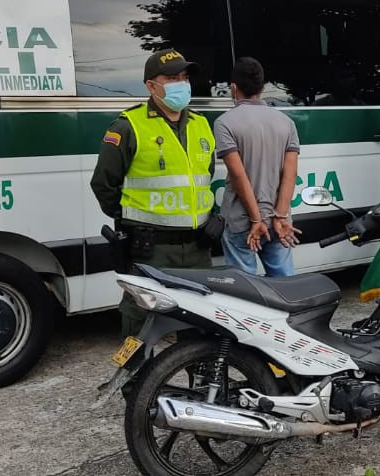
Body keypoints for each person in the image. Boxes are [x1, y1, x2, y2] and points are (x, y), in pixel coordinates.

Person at [90, 49, 216, 336]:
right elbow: (103, 184)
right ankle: (134, 382)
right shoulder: (128, 125)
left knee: (200, 326)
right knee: (139, 324)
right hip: (151, 250)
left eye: (184, 77)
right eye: (172, 78)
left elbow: (204, 178)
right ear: (151, 85)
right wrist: (129, 218)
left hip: (197, 249)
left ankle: (201, 380)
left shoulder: (200, 124)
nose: (181, 83)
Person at [215, 57, 301, 276]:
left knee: (246, 290)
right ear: (263, 88)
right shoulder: (286, 122)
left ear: (234, 88)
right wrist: (279, 216)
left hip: (241, 221)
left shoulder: (225, 123)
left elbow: (238, 175)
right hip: (278, 221)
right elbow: (290, 175)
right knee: (285, 285)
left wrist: (256, 220)